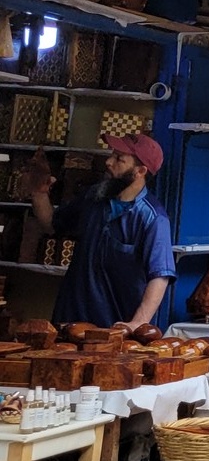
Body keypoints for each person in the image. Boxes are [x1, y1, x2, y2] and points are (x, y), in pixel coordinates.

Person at [23, 134, 176, 329]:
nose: (109, 162)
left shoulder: (153, 218)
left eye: (119, 159)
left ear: (140, 171)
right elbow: (52, 225)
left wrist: (138, 322)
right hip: (70, 318)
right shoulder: (94, 197)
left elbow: (160, 276)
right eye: (112, 155)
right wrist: (39, 193)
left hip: (114, 328)